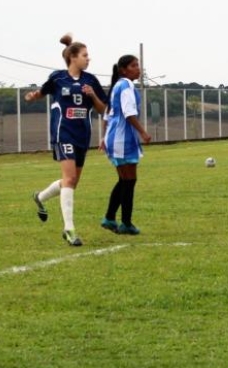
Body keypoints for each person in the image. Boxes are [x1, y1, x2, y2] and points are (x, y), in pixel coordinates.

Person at [25, 34, 108, 247]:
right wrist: (34, 96)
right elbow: (42, 92)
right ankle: (69, 230)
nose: (88, 59)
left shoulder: (91, 80)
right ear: (73, 57)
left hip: (82, 135)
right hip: (63, 133)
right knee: (69, 179)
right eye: (85, 55)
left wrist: (93, 95)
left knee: (71, 182)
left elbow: (103, 110)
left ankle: (40, 197)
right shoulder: (58, 78)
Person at [100, 55, 152, 235]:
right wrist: (143, 132)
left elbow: (107, 114)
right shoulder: (126, 85)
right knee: (129, 181)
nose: (138, 68)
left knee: (125, 180)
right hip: (122, 139)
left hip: (114, 138)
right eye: (133, 65)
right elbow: (129, 113)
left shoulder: (117, 85)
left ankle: (109, 218)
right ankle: (126, 223)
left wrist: (104, 137)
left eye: (138, 65)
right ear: (123, 70)